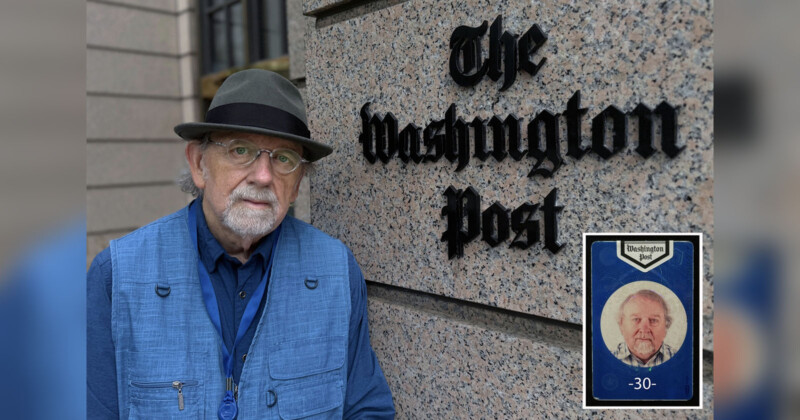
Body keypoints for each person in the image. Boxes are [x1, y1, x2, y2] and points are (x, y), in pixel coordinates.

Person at [87, 69, 395, 419]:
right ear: (199, 164)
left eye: (283, 158)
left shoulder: (336, 271)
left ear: (296, 185)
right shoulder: (117, 277)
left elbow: (367, 409)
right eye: (240, 150)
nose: (263, 176)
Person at [612, 289, 675, 368]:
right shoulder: (605, 361)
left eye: (653, 320)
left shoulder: (681, 361)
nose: (644, 329)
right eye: (636, 319)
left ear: (666, 326)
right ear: (621, 325)